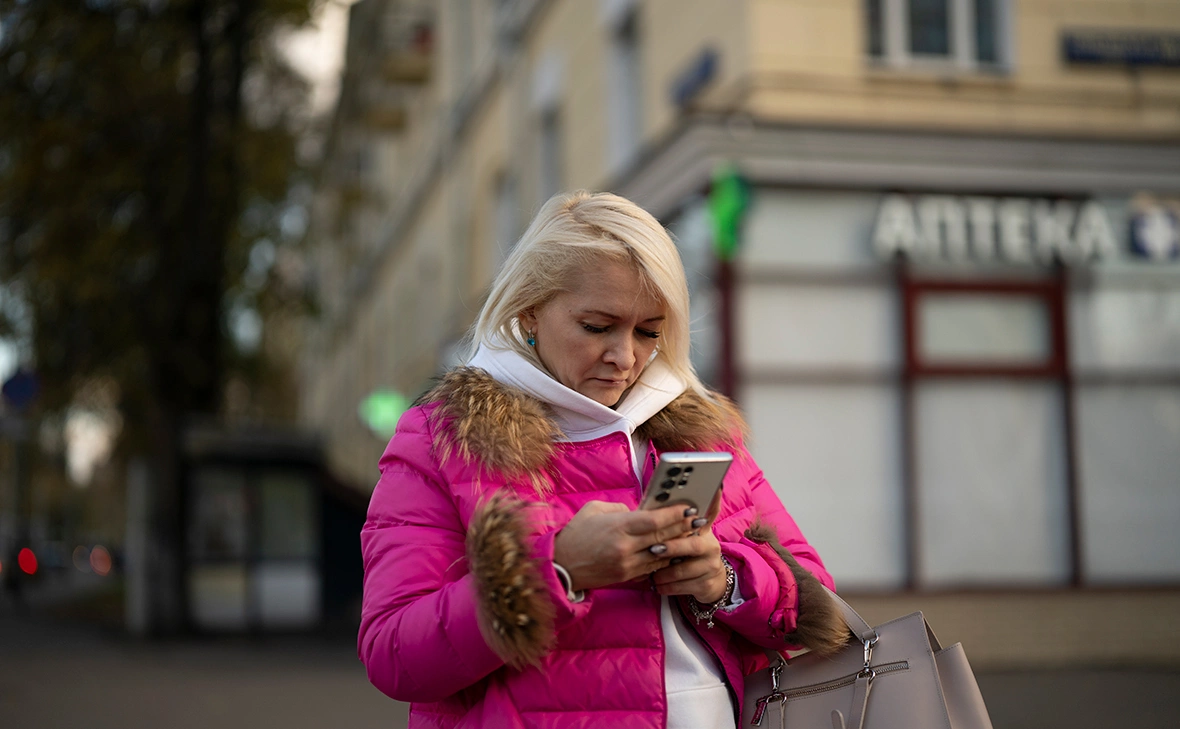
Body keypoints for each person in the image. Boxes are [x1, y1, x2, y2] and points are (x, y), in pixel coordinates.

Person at [358, 190, 847, 728]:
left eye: (649, 331)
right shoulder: (445, 438)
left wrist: (725, 580)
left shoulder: (701, 432)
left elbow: (819, 605)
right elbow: (392, 653)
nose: (625, 357)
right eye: (597, 326)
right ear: (529, 310)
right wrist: (558, 569)